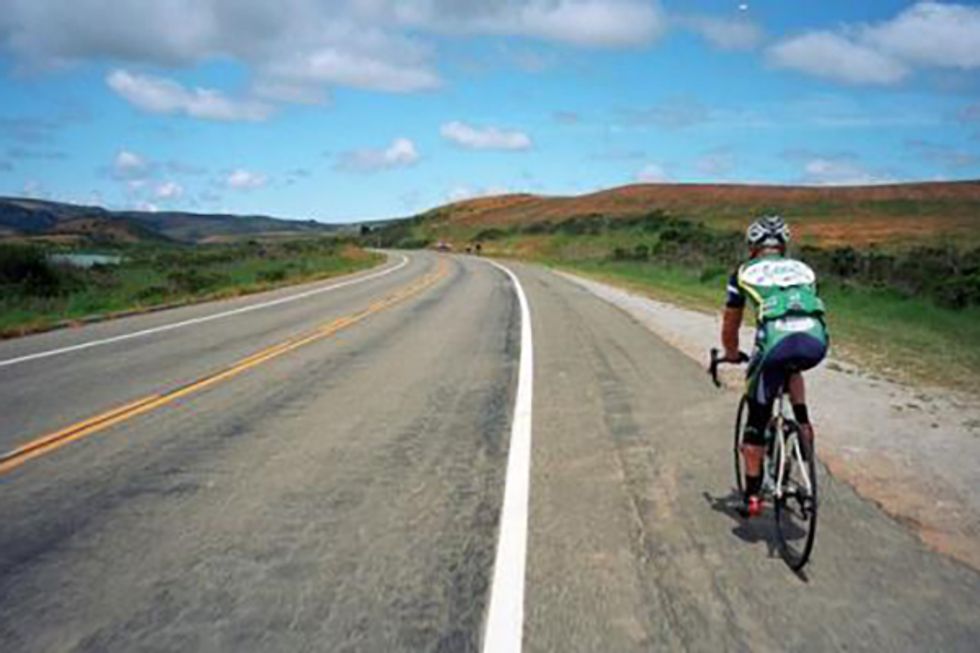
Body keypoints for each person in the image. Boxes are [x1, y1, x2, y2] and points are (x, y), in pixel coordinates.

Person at [721, 215, 829, 517]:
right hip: (815, 343)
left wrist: (731, 352)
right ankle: (803, 425)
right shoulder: (805, 270)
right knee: (791, 366)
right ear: (783, 244)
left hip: (774, 346)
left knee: (756, 418)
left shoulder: (743, 272)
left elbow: (731, 322)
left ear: (754, 246)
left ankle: (753, 496)